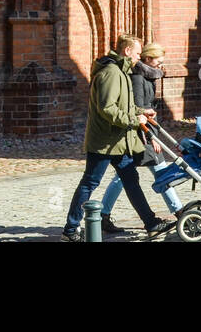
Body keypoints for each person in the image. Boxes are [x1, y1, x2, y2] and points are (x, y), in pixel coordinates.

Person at [62, 34, 176, 241]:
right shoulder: (111, 73)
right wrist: (134, 120)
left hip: (118, 141)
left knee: (131, 180)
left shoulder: (121, 72)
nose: (139, 57)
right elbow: (108, 109)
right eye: (138, 53)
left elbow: (123, 105)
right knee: (90, 183)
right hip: (104, 142)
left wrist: (141, 111)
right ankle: (70, 231)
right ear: (127, 51)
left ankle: (151, 223)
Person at [98, 43, 183, 234]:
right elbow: (137, 109)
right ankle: (179, 211)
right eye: (158, 62)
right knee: (160, 171)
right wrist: (151, 136)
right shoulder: (137, 78)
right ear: (147, 59)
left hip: (143, 131)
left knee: (124, 176)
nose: (161, 66)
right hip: (140, 134)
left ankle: (103, 214)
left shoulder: (147, 76)